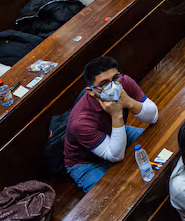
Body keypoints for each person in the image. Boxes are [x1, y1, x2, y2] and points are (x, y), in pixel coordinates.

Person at [63, 55, 159, 191]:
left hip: (115, 132)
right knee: (113, 196)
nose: (113, 86)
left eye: (115, 78)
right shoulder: (80, 121)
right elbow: (116, 156)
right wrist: (116, 114)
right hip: (87, 163)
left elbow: (153, 116)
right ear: (91, 91)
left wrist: (130, 102)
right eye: (104, 84)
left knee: (158, 142)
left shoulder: (124, 83)